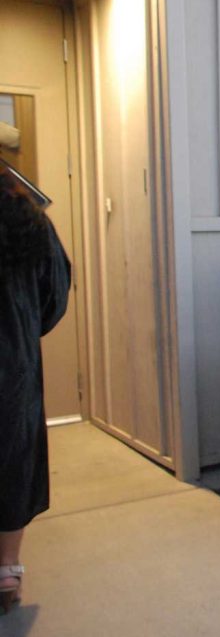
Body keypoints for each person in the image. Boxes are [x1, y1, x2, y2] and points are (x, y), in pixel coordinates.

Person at [0, 165, 71, 614]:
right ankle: (6, 569)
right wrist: (24, 331)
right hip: (11, 366)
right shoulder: (27, 220)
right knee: (13, 462)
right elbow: (55, 295)